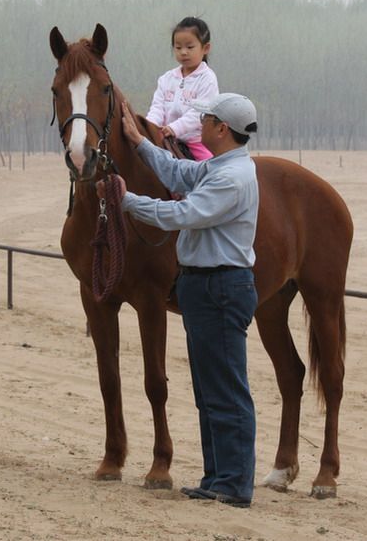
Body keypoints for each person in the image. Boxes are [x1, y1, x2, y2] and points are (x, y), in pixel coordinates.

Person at [97, 93, 260, 508]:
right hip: (206, 287)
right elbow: (177, 170)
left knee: (226, 390)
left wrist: (125, 200)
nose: (199, 124)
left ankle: (235, 484)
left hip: (219, 288)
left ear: (221, 128)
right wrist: (139, 141)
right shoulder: (219, 166)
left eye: (205, 119)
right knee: (210, 389)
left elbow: (182, 214)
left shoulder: (230, 178)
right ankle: (218, 477)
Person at [145, 17, 218, 161]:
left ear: (205, 48)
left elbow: (200, 114)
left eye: (190, 47)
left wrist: (174, 128)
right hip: (165, 137)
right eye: (178, 48)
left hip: (196, 142)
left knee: (211, 172)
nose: (183, 52)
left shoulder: (207, 78)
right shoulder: (166, 79)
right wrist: (149, 127)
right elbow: (157, 107)